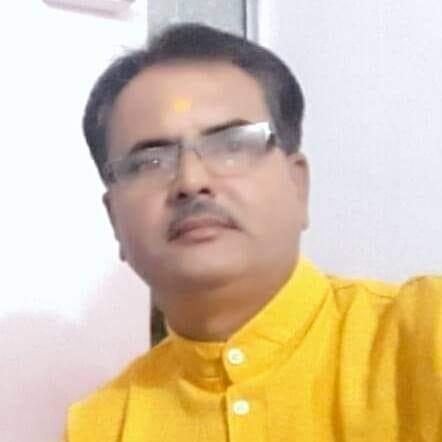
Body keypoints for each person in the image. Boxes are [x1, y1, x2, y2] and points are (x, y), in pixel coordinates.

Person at [63, 23, 441, 441]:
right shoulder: (100, 426)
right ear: (114, 221)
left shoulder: (424, 332)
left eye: (231, 144)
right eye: (150, 161)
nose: (191, 181)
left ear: (297, 184)